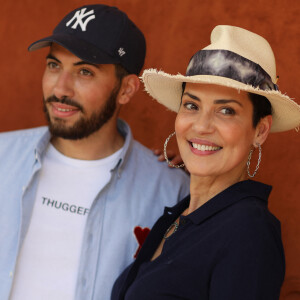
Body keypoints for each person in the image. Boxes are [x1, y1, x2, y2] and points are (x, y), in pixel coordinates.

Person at [0, 4, 189, 300]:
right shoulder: (2, 156)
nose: (60, 88)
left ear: (126, 90)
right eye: (53, 66)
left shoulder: (170, 191)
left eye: (84, 71)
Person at [111, 25, 300, 300]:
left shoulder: (249, 231)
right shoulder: (180, 215)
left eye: (226, 110)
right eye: (192, 105)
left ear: (260, 130)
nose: (201, 126)